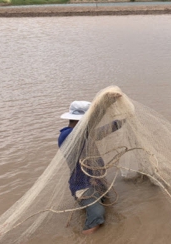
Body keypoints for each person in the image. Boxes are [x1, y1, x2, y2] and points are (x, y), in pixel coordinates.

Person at [59, 93, 123, 235]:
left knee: (109, 203)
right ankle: (86, 235)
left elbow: (103, 131)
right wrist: (105, 103)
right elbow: (91, 125)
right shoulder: (67, 135)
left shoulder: (86, 133)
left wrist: (123, 121)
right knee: (98, 214)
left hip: (96, 180)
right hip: (82, 184)